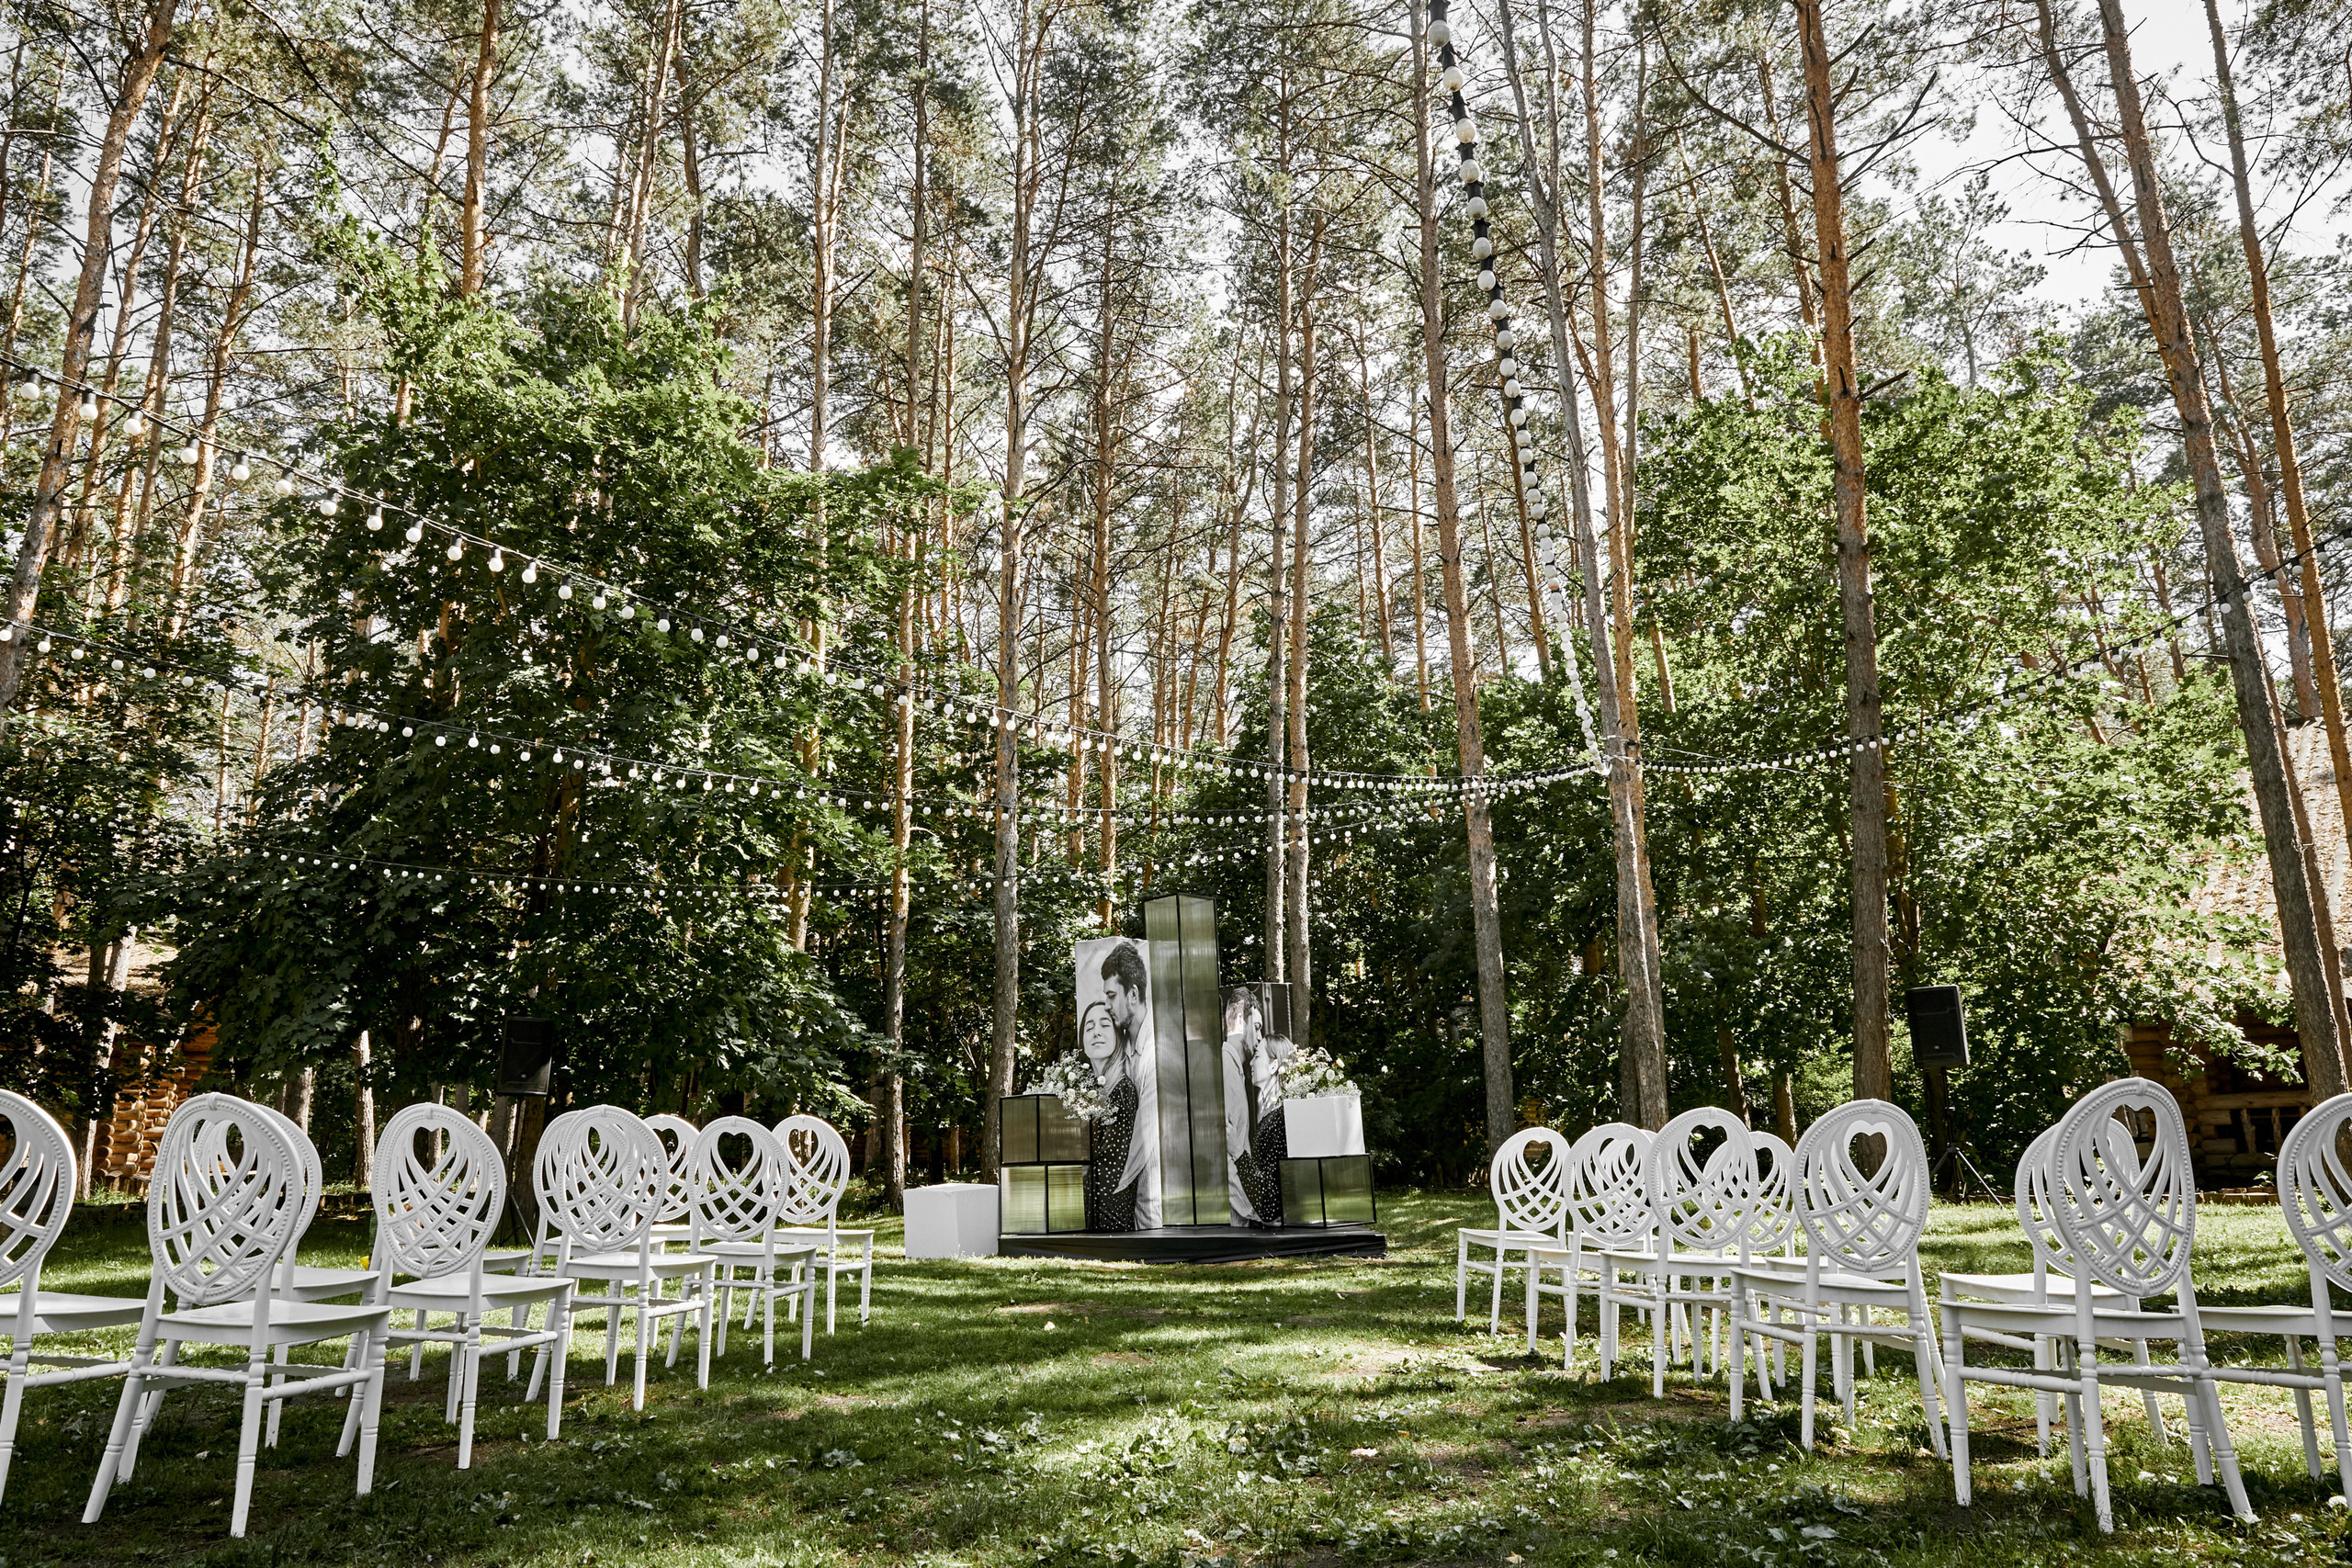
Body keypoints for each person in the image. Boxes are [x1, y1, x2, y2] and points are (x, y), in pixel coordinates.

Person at [1082, 941, 1159, 1230]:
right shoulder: (1123, 1047)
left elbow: (1145, 1136)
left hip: (1152, 1206)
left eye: (1112, 995)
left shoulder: (1155, 1053)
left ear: (1134, 994)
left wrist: (1109, 1199)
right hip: (1129, 1206)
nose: (1107, 1004)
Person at [1222, 985, 1294, 1226]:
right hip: (1241, 1211)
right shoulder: (1225, 1067)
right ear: (1241, 1020)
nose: (1260, 1036)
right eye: (1257, 1027)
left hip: (1252, 1211)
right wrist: (1252, 1211)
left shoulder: (1276, 1116)